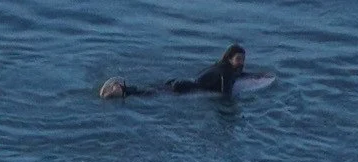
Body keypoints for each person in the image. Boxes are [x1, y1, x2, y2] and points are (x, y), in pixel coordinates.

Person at [100, 44, 249, 99]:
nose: (241, 62)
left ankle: (122, 88)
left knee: (152, 89)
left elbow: (229, 76)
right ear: (230, 59)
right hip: (186, 88)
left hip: (180, 81)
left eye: (243, 59)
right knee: (151, 94)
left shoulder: (219, 66)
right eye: (238, 59)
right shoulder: (227, 72)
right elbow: (225, 95)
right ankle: (121, 91)